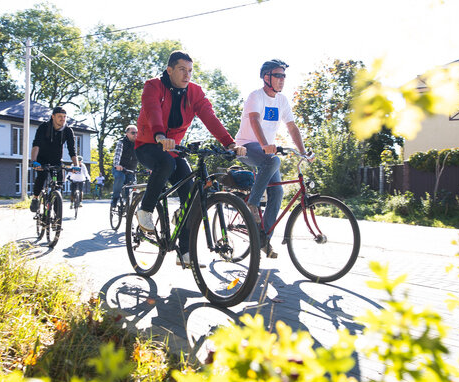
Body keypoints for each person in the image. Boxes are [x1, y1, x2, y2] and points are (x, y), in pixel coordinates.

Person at [135, 50, 246, 267]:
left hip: (174, 149)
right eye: (182, 70)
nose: (187, 75)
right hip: (148, 144)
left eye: (190, 71)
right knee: (165, 163)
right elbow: (152, 110)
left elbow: (209, 117)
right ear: (169, 70)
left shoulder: (194, 92)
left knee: (192, 198)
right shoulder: (153, 86)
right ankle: (145, 209)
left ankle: (184, 253)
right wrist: (159, 134)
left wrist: (229, 143)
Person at [234, 59, 310, 258]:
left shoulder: (282, 101)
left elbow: (292, 127)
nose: (282, 79)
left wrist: (303, 151)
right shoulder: (255, 96)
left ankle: (264, 240)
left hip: (266, 152)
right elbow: (254, 119)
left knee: (278, 193)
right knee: (274, 160)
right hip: (247, 146)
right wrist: (265, 145)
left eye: (283, 76)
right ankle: (252, 203)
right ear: (265, 77)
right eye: (277, 75)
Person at [30, 106, 79, 212]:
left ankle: (57, 216)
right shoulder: (44, 127)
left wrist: (76, 165)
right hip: (42, 159)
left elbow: (72, 150)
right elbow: (36, 145)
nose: (63, 119)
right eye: (60, 116)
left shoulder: (67, 131)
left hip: (56, 160)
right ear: (53, 117)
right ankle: (35, 198)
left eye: (64, 117)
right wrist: (34, 161)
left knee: (59, 184)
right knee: (41, 177)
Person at [111, 125, 139, 207]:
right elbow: (117, 155)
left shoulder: (139, 144)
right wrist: (117, 165)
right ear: (127, 133)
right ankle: (115, 199)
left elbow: (144, 156)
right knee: (120, 178)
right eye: (133, 133)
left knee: (133, 188)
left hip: (131, 170)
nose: (135, 135)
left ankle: (131, 207)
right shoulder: (121, 142)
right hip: (120, 169)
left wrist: (149, 167)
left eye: (137, 133)